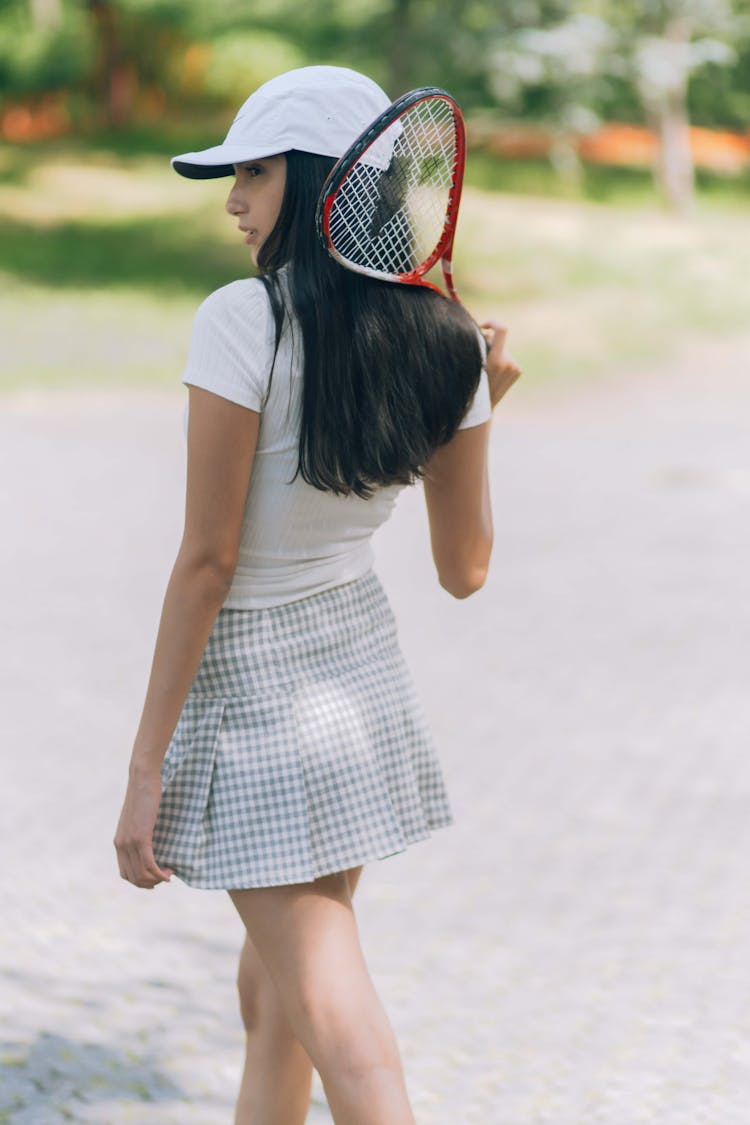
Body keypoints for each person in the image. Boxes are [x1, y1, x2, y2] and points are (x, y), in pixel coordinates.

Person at [114, 65, 521, 1125]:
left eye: (255, 172)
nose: (234, 199)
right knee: (275, 994)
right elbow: (464, 571)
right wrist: (477, 410)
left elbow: (209, 562)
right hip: (358, 680)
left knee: (338, 1017)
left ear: (320, 182)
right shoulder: (450, 343)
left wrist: (145, 772)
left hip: (260, 696)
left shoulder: (242, 321)